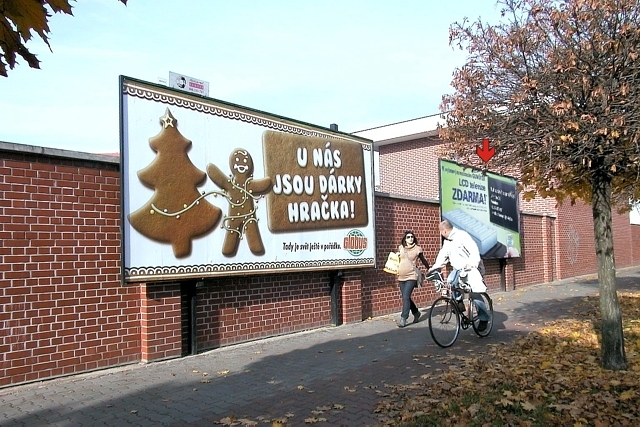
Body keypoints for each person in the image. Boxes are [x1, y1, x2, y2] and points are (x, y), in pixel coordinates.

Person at [427, 220, 490, 331]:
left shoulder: (462, 236)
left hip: (471, 268)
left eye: (441, 232)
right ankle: (459, 303)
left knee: (474, 293)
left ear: (445, 230)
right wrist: (434, 267)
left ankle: (484, 318)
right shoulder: (448, 242)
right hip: (458, 269)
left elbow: (474, 250)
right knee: (451, 281)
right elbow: (443, 256)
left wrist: (472, 264)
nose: (441, 234)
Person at [396, 230, 430, 328]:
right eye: (408, 237)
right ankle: (416, 313)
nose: (410, 239)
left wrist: (430, 269)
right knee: (406, 297)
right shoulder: (401, 248)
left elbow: (423, 260)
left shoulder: (417, 249)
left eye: (412, 237)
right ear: (405, 239)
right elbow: (397, 259)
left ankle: (403, 318)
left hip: (412, 276)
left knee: (406, 296)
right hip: (401, 276)